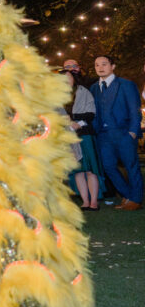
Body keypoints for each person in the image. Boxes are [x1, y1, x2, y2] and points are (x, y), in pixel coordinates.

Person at [89, 55, 143, 210]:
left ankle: (136, 200)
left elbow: (135, 110)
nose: (100, 67)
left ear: (113, 66)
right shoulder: (93, 88)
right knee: (108, 167)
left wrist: (132, 132)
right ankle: (128, 196)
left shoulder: (126, 85)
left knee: (131, 166)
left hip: (124, 133)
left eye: (104, 64)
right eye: (97, 65)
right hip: (103, 136)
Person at [61, 70, 101, 210]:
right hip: (68, 136)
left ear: (74, 78)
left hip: (85, 134)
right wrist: (67, 122)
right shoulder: (57, 96)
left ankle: (94, 201)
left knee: (90, 169)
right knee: (78, 170)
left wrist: (78, 122)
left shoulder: (84, 92)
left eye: (68, 77)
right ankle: (85, 201)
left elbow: (91, 113)